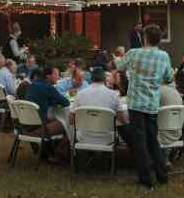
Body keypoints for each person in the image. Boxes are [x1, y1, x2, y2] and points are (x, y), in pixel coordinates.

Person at [116, 24, 173, 188]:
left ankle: (145, 178)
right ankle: (162, 175)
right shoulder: (164, 56)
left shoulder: (134, 53)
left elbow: (119, 66)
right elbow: (169, 78)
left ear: (145, 38)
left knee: (139, 142)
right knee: (153, 140)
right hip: (152, 103)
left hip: (135, 104)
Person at [73, 66, 130, 147]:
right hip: (107, 138)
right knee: (125, 126)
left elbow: (72, 120)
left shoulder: (79, 94)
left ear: (91, 79)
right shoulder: (113, 95)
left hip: (83, 137)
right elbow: (122, 120)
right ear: (104, 79)